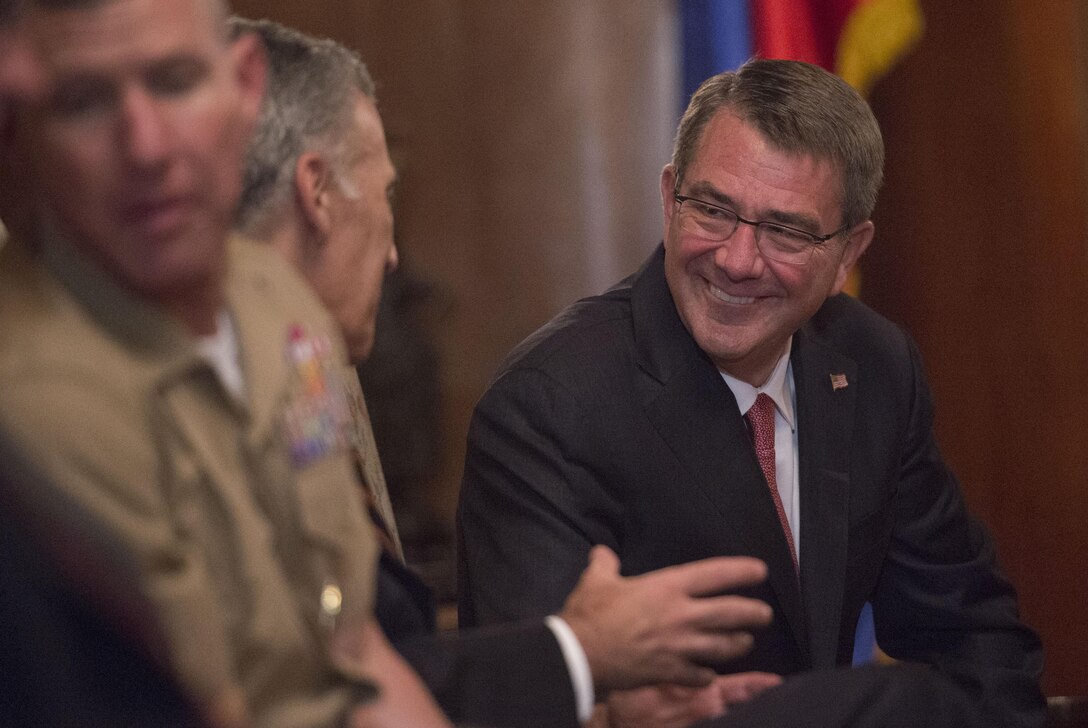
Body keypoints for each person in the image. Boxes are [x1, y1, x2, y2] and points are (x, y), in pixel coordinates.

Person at [458, 58, 1046, 727]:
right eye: (712, 209)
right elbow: (531, 702)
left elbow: (972, 635)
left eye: (785, 230)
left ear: (850, 251)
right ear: (669, 194)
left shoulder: (874, 364)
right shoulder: (548, 408)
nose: (737, 260)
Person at [231, 18, 781, 727]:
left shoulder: (302, 371)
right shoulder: (219, 399)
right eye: (386, 196)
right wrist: (579, 655)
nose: (395, 254)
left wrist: (603, 702)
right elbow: (315, 688)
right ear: (318, 193)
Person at [0, 0, 454, 725]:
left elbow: (356, 653)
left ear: (244, 85)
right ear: (18, 131)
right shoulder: (27, 405)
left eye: (175, 82)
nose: (145, 146)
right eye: (85, 102)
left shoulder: (275, 301)